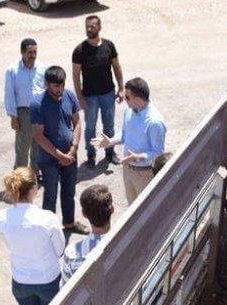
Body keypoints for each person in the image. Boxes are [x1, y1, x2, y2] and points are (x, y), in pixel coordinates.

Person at [0, 167, 66, 305]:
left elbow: (9, 244)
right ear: (34, 189)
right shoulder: (47, 218)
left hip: (20, 281)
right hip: (48, 280)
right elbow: (60, 250)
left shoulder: (2, 216)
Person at [31, 65, 90, 235]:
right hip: (48, 159)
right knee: (50, 194)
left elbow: (77, 123)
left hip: (70, 156)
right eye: (56, 86)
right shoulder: (37, 104)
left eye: (62, 85)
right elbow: (39, 136)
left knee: (69, 192)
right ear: (47, 84)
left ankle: (69, 223)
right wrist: (59, 155)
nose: (60, 89)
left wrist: (73, 149)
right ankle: (47, 230)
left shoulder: (69, 96)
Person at [92, 78, 167, 203]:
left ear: (137, 100)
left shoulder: (154, 122)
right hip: (128, 170)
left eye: (127, 97)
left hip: (145, 175)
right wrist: (111, 141)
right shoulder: (129, 112)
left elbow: (158, 154)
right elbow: (124, 134)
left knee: (146, 212)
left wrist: (138, 157)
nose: (124, 99)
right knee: (132, 208)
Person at [72, 15, 125, 168]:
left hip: (108, 93)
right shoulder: (79, 50)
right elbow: (75, 76)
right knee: (90, 127)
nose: (89, 29)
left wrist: (121, 88)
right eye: (87, 26)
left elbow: (117, 67)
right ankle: (91, 154)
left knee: (109, 125)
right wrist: (80, 97)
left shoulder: (109, 46)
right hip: (89, 96)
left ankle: (109, 152)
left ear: (99, 27)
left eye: (93, 26)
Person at [4, 38, 46, 173]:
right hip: (23, 114)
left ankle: (35, 174)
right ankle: (20, 179)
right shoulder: (12, 70)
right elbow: (9, 95)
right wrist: (13, 117)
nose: (33, 55)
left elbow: (46, 89)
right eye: (30, 52)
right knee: (23, 149)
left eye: (35, 52)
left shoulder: (42, 68)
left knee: (38, 145)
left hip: (40, 112)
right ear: (22, 52)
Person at [61, 184, 112, 286]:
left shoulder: (72, 253)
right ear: (112, 209)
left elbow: (65, 288)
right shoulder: (127, 240)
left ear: (84, 213)